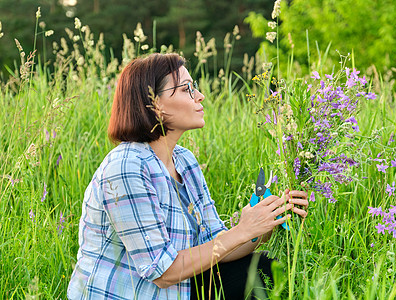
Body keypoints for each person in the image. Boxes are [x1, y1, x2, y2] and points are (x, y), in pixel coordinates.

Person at [67, 53, 309, 299]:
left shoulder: (184, 161)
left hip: (177, 290)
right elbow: (161, 272)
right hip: (132, 294)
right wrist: (243, 231)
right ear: (154, 104)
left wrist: (265, 222)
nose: (200, 95)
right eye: (187, 89)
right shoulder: (127, 167)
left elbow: (217, 246)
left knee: (266, 268)